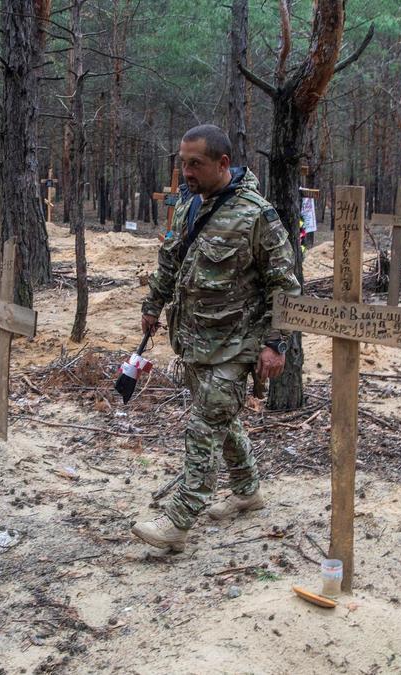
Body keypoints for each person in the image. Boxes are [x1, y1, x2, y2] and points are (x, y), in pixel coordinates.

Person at [132, 124, 300, 552]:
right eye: (182, 163)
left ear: (223, 164)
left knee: (204, 425)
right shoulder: (190, 206)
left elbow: (286, 288)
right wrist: (153, 307)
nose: (186, 172)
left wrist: (275, 343)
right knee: (223, 421)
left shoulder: (257, 215)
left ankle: (178, 522)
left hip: (237, 343)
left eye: (195, 164)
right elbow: (171, 260)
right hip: (194, 340)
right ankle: (247, 491)